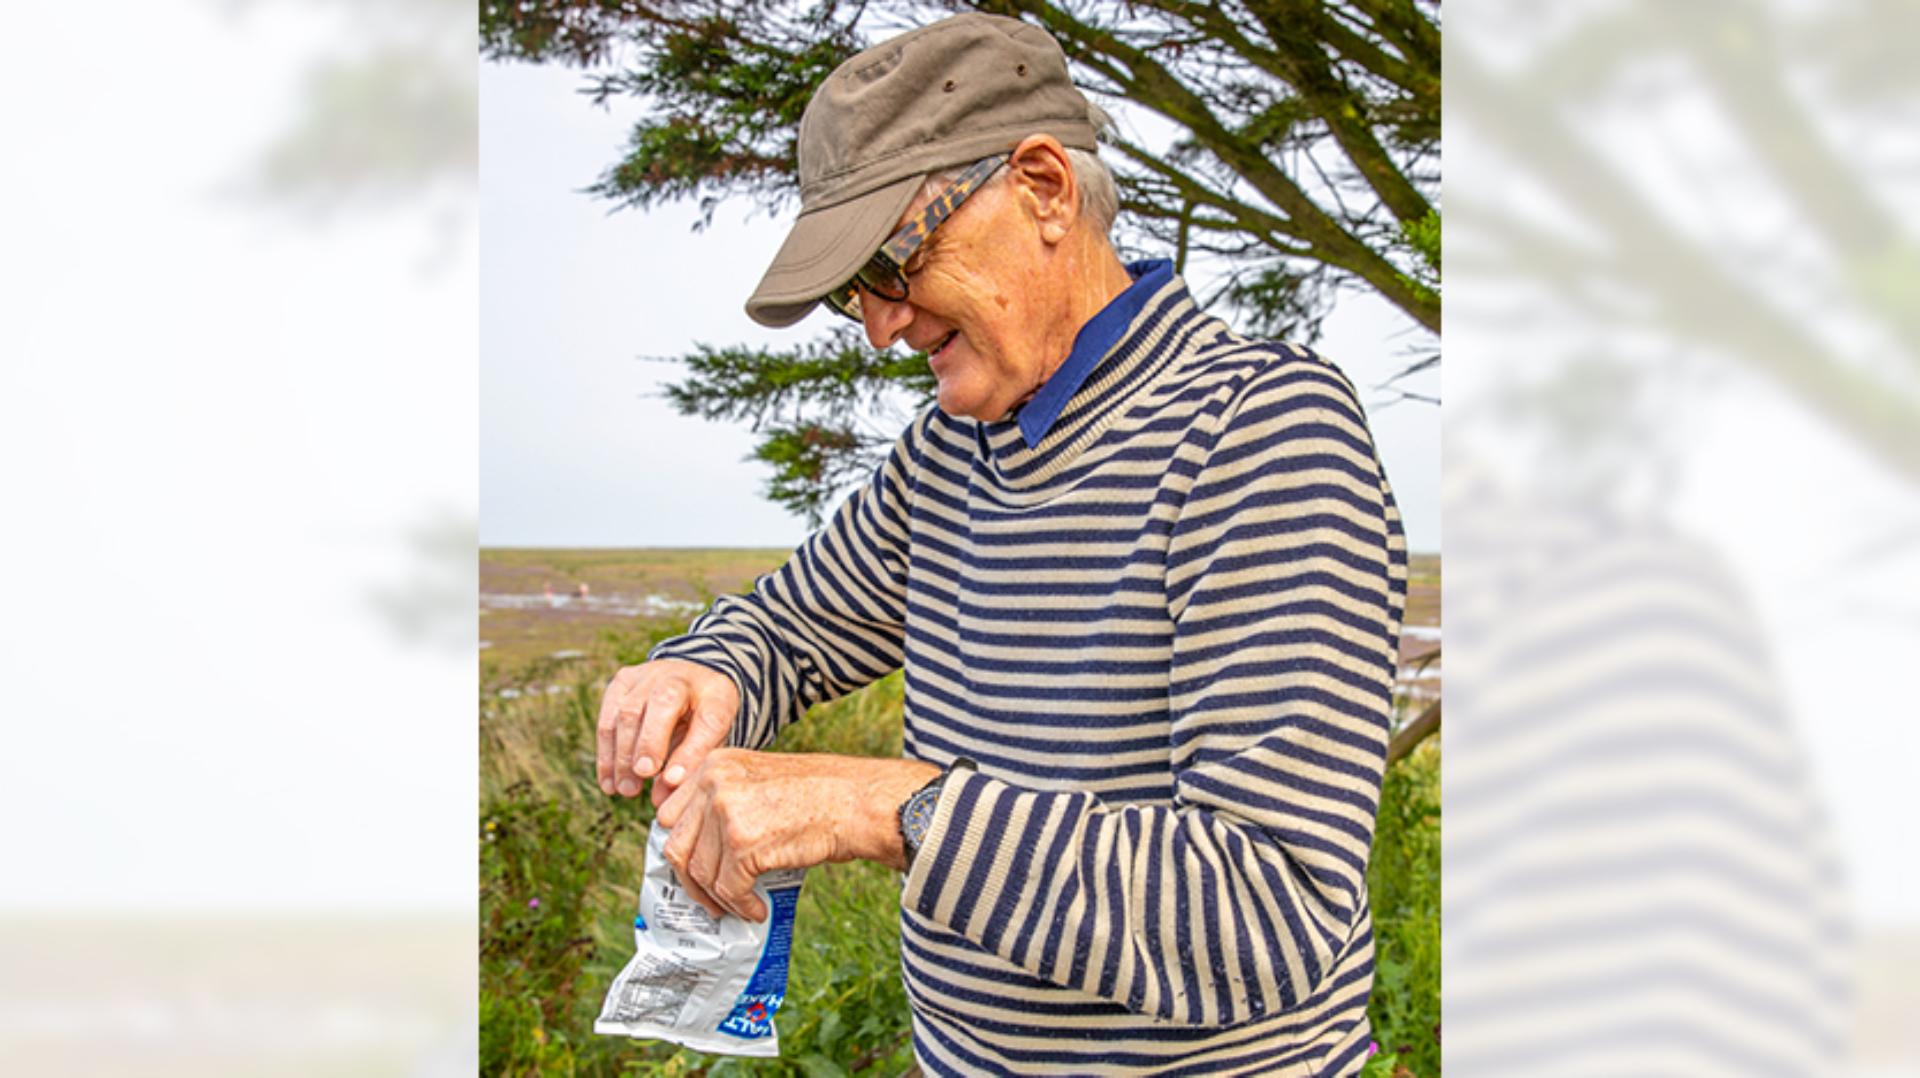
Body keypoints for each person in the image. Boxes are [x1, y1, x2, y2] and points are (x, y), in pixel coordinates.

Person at [595, 13, 1407, 1074]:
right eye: (853, 291)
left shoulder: (1263, 431)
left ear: (1044, 189)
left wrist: (874, 803)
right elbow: (794, 625)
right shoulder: (947, 453)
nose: (880, 325)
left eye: (892, 259)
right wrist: (703, 666)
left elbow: (1269, 912)